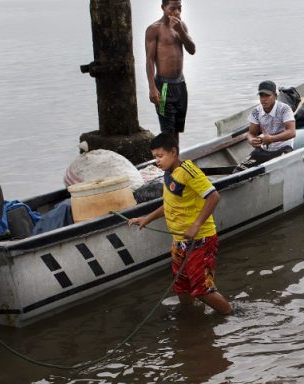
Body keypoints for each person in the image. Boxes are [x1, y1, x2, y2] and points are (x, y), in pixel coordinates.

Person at [128, 133, 232, 315]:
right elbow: (169, 204)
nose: (157, 161)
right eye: (154, 157)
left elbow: (213, 196)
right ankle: (190, 319)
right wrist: (146, 218)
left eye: (160, 156)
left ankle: (232, 314)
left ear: (173, 152)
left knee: (202, 290)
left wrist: (197, 224)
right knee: (182, 287)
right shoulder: (169, 173)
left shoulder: (188, 171)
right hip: (179, 241)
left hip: (200, 240)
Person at [145, 0, 195, 139]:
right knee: (168, 130)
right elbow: (149, 59)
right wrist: (152, 88)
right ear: (163, 8)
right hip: (164, 86)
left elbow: (192, 50)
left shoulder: (181, 26)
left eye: (179, 8)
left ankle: (176, 159)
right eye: (173, 9)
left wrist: (180, 31)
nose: (177, 12)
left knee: (177, 129)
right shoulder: (154, 29)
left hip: (180, 84)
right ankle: (167, 158)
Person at [234, 80, 297, 172]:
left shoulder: (285, 109)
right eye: (261, 95)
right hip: (264, 149)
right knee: (237, 172)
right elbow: (251, 133)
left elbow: (292, 132)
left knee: (278, 169)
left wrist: (271, 139)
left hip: (283, 148)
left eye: (267, 95)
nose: (263, 99)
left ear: (275, 95)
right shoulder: (256, 111)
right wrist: (251, 140)